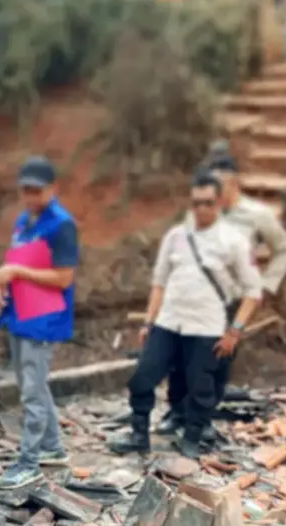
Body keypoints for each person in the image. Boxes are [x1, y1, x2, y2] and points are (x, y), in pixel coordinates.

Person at [109, 171, 263, 460]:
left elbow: (253, 291)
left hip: (207, 326)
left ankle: (192, 438)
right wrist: (148, 321)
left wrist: (235, 331)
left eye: (208, 202)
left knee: (200, 385)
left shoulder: (234, 241)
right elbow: (159, 282)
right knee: (143, 377)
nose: (202, 209)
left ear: (218, 203)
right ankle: (138, 434)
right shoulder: (176, 236)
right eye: (196, 203)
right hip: (169, 321)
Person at [158, 150, 286, 439]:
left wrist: (267, 284)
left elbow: (283, 249)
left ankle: (203, 418)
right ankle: (177, 411)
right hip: (192, 298)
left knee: (217, 361)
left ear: (235, 184)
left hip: (230, 301)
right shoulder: (200, 212)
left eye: (221, 185)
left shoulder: (257, 215)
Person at [0, 157, 79, 490]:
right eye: (25, 190)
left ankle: (29, 462)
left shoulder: (61, 225)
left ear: (53, 189)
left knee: (31, 390)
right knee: (35, 384)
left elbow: (63, 277)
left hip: (43, 318)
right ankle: (53, 448)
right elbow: (16, 260)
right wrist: (2, 282)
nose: (29, 196)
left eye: (36, 191)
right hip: (19, 313)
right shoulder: (24, 220)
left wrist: (17, 273)